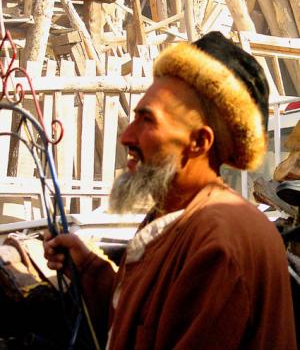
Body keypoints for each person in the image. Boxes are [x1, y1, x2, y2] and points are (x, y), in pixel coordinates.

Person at [44, 31, 297, 350]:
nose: (126, 137)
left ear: (199, 142)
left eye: (147, 121)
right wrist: (88, 268)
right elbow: (139, 322)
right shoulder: (174, 216)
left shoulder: (220, 241)